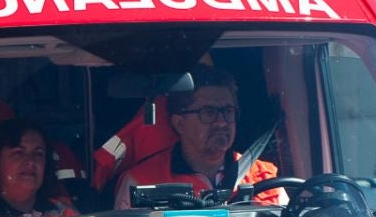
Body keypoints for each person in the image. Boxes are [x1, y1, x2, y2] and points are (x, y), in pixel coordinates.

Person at [112, 65, 281, 207]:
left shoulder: (264, 176)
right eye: (209, 112)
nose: (221, 122)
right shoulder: (140, 182)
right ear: (179, 123)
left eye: (228, 111)